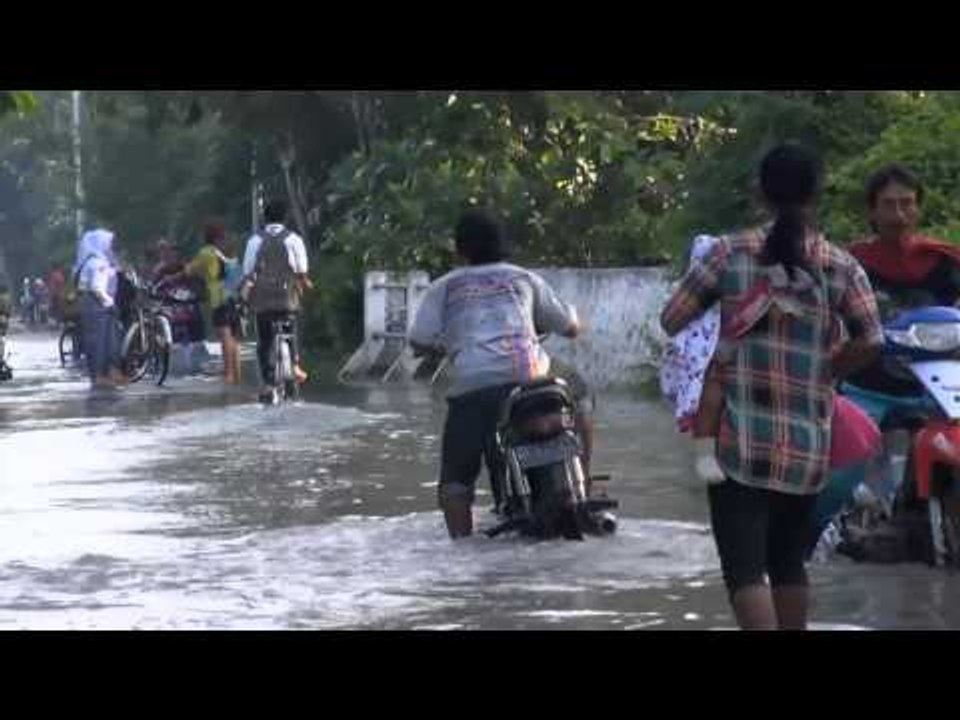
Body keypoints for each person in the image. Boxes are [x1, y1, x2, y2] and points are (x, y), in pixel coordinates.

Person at [660, 144, 883, 630]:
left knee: (745, 569)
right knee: (786, 562)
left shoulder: (729, 253)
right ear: (815, 194)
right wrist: (829, 368)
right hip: (807, 443)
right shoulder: (841, 266)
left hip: (739, 441)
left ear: (759, 191)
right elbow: (872, 339)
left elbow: (672, 318)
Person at [408, 208, 581, 539]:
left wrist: (441, 347)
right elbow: (570, 327)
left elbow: (418, 339)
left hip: (475, 390)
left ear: (459, 249)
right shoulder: (523, 278)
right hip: (533, 383)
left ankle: (462, 550)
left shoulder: (444, 287)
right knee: (581, 400)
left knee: (456, 483)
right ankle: (581, 481)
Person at [660, 234, 726, 482]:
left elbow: (671, 334)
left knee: (707, 400)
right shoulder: (734, 298)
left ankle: (704, 456)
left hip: (701, 381)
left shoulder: (690, 299)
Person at [241, 199, 312, 399]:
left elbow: (248, 272)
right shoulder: (294, 239)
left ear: (265, 218)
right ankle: (296, 366)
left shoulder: (254, 241)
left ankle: (268, 382)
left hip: (263, 298)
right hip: (287, 297)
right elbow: (302, 271)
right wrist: (306, 285)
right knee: (291, 328)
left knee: (264, 341)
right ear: (285, 218)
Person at [178, 222, 242, 384]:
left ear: (208, 237)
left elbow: (189, 270)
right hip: (235, 296)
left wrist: (177, 272)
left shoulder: (206, 252)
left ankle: (228, 375)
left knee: (225, 336)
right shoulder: (229, 252)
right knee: (234, 337)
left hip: (220, 298)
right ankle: (236, 375)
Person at [76, 228, 126, 390]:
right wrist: (109, 304)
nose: (112, 246)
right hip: (99, 305)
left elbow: (83, 286)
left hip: (91, 305)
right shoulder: (99, 263)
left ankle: (106, 374)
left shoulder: (89, 262)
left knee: (102, 340)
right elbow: (98, 288)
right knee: (101, 341)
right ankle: (99, 376)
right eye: (109, 243)